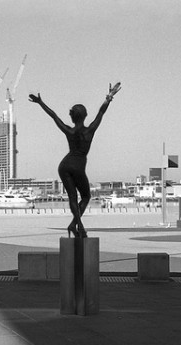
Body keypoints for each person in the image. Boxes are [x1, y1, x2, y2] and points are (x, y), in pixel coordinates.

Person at [29, 82, 121, 238]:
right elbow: (101, 113)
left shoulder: (69, 131)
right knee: (85, 197)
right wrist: (109, 97)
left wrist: (40, 103)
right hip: (78, 166)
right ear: (84, 116)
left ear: (73, 116)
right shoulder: (90, 130)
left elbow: (54, 116)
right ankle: (79, 226)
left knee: (73, 197)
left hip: (64, 166)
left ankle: (74, 224)